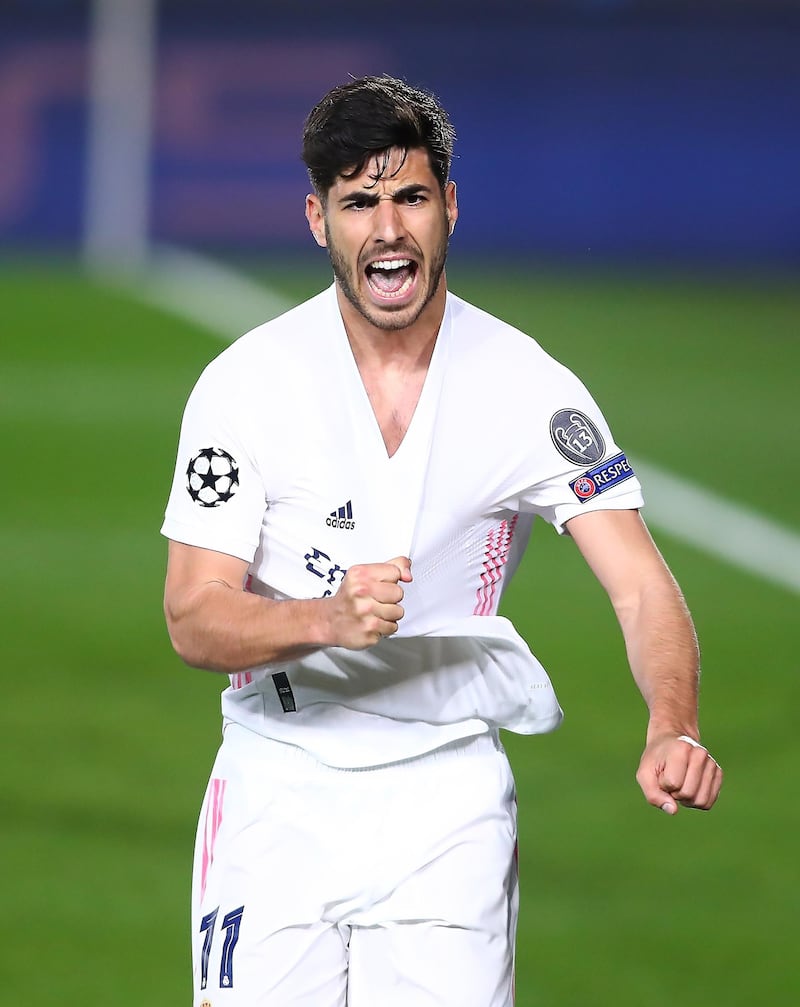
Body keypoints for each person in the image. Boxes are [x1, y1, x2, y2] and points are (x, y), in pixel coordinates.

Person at [161, 74, 722, 1007]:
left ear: (449, 205)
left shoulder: (527, 387)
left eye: (410, 196)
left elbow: (639, 585)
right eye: (359, 202)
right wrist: (327, 618)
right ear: (317, 219)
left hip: (446, 798)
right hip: (277, 782)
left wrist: (674, 721)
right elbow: (192, 616)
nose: (388, 228)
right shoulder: (245, 384)